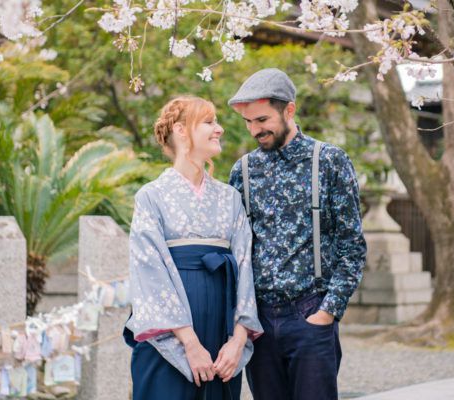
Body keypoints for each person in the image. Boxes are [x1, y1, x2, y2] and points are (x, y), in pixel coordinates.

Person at [227, 68, 367, 400]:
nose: (254, 130)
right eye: (248, 122)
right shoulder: (243, 171)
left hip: (310, 314)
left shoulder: (329, 161)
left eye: (261, 119)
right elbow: (238, 248)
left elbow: (353, 245)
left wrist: (328, 311)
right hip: (260, 322)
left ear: (289, 110)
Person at [123, 96, 263, 400]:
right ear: (181, 130)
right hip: (169, 334)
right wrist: (189, 343)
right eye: (209, 122)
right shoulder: (152, 196)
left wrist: (238, 340)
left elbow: (245, 266)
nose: (220, 129)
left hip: (222, 331)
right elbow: (149, 274)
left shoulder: (229, 197)